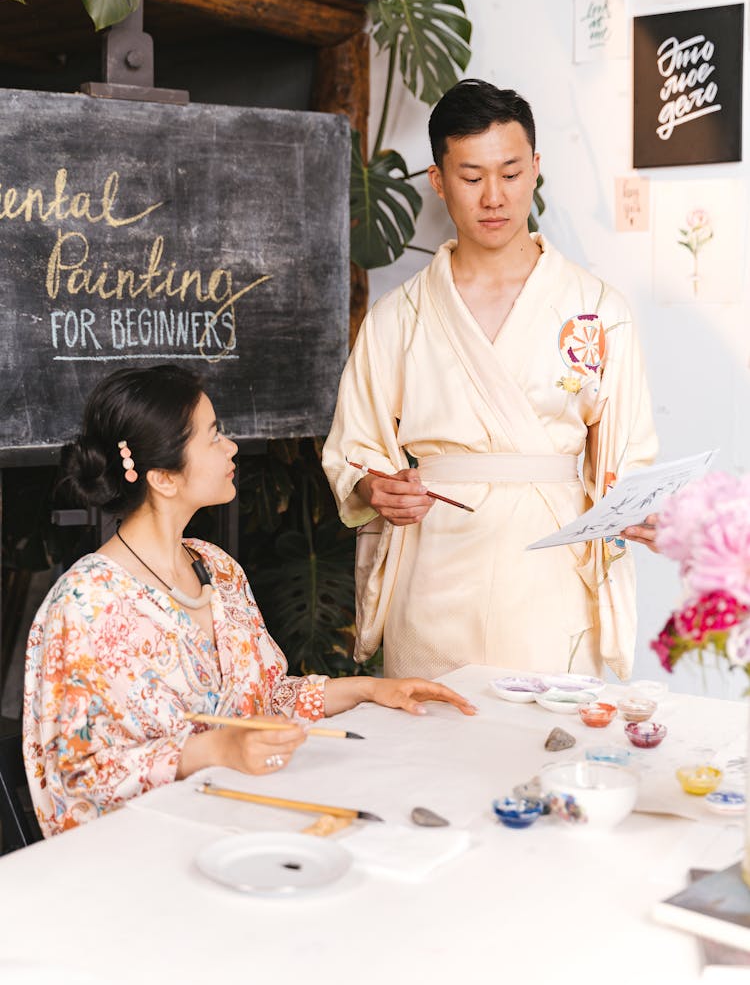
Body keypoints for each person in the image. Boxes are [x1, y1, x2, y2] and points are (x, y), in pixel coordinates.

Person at [23, 365, 475, 837]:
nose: (231, 447)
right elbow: (75, 773)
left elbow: (268, 698)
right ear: (163, 478)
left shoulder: (217, 569)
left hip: (246, 818)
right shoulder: (85, 603)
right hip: (147, 848)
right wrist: (214, 751)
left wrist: (370, 689)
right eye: (214, 436)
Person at [322, 80, 658, 683]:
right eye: (472, 177)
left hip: (552, 575)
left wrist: (636, 507)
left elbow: (627, 455)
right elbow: (354, 450)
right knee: (433, 756)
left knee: (547, 756)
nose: (494, 197)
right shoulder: (399, 317)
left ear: (535, 169)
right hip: (432, 576)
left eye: (510, 172)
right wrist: (377, 488)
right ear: (439, 181)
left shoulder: (597, 307)